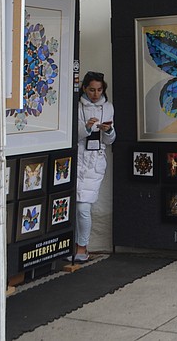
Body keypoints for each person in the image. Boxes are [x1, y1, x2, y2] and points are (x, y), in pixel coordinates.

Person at [73, 71, 116, 262]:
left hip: (94, 162)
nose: (95, 94)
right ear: (84, 89)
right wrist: (87, 127)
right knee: (71, 207)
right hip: (77, 159)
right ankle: (72, 246)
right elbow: (72, 136)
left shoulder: (108, 108)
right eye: (91, 90)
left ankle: (82, 247)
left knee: (83, 207)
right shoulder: (75, 107)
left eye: (99, 90)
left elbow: (110, 140)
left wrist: (109, 130)